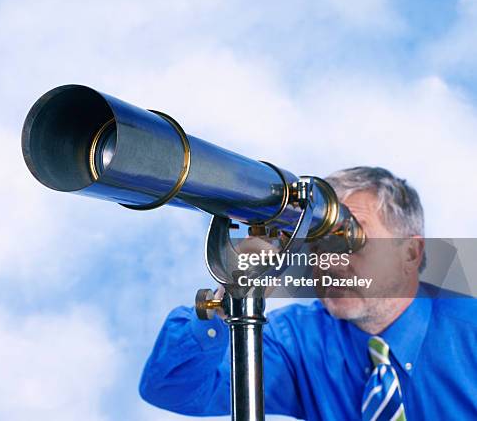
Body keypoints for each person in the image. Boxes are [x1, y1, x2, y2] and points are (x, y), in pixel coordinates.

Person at [139, 167, 477, 420]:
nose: (328, 261)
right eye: (316, 242)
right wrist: (231, 298)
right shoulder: (297, 339)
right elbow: (173, 388)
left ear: (410, 253)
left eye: (350, 239)